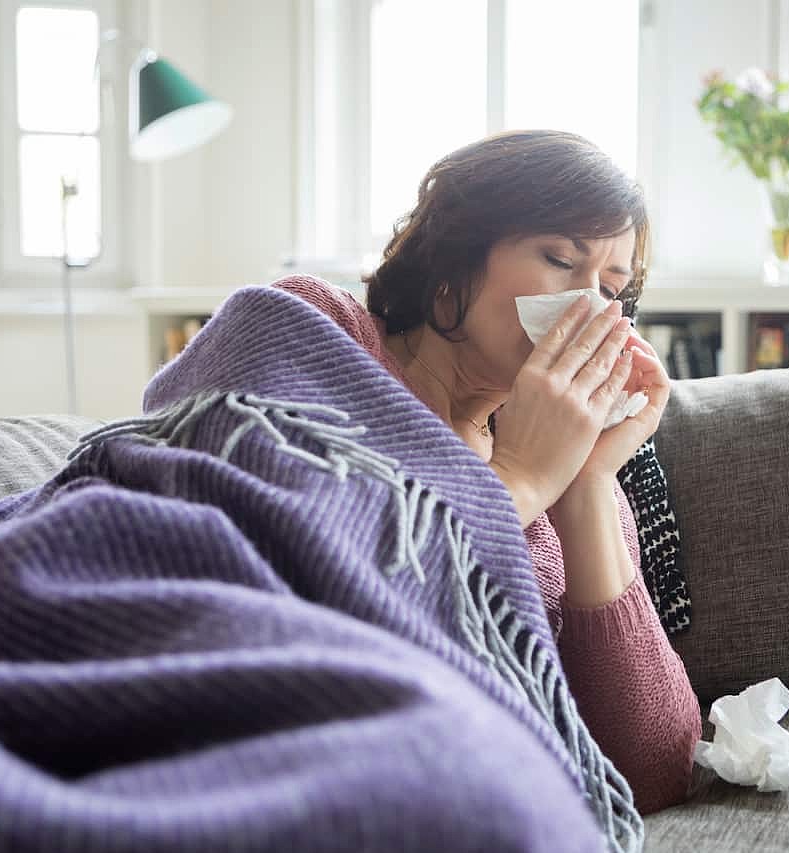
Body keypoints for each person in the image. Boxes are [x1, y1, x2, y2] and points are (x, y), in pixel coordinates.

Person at [272, 129, 700, 815]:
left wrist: (583, 484)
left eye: (613, 289)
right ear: (456, 260)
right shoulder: (321, 329)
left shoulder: (579, 480)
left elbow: (653, 771)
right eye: (561, 258)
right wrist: (521, 477)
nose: (591, 306)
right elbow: (305, 593)